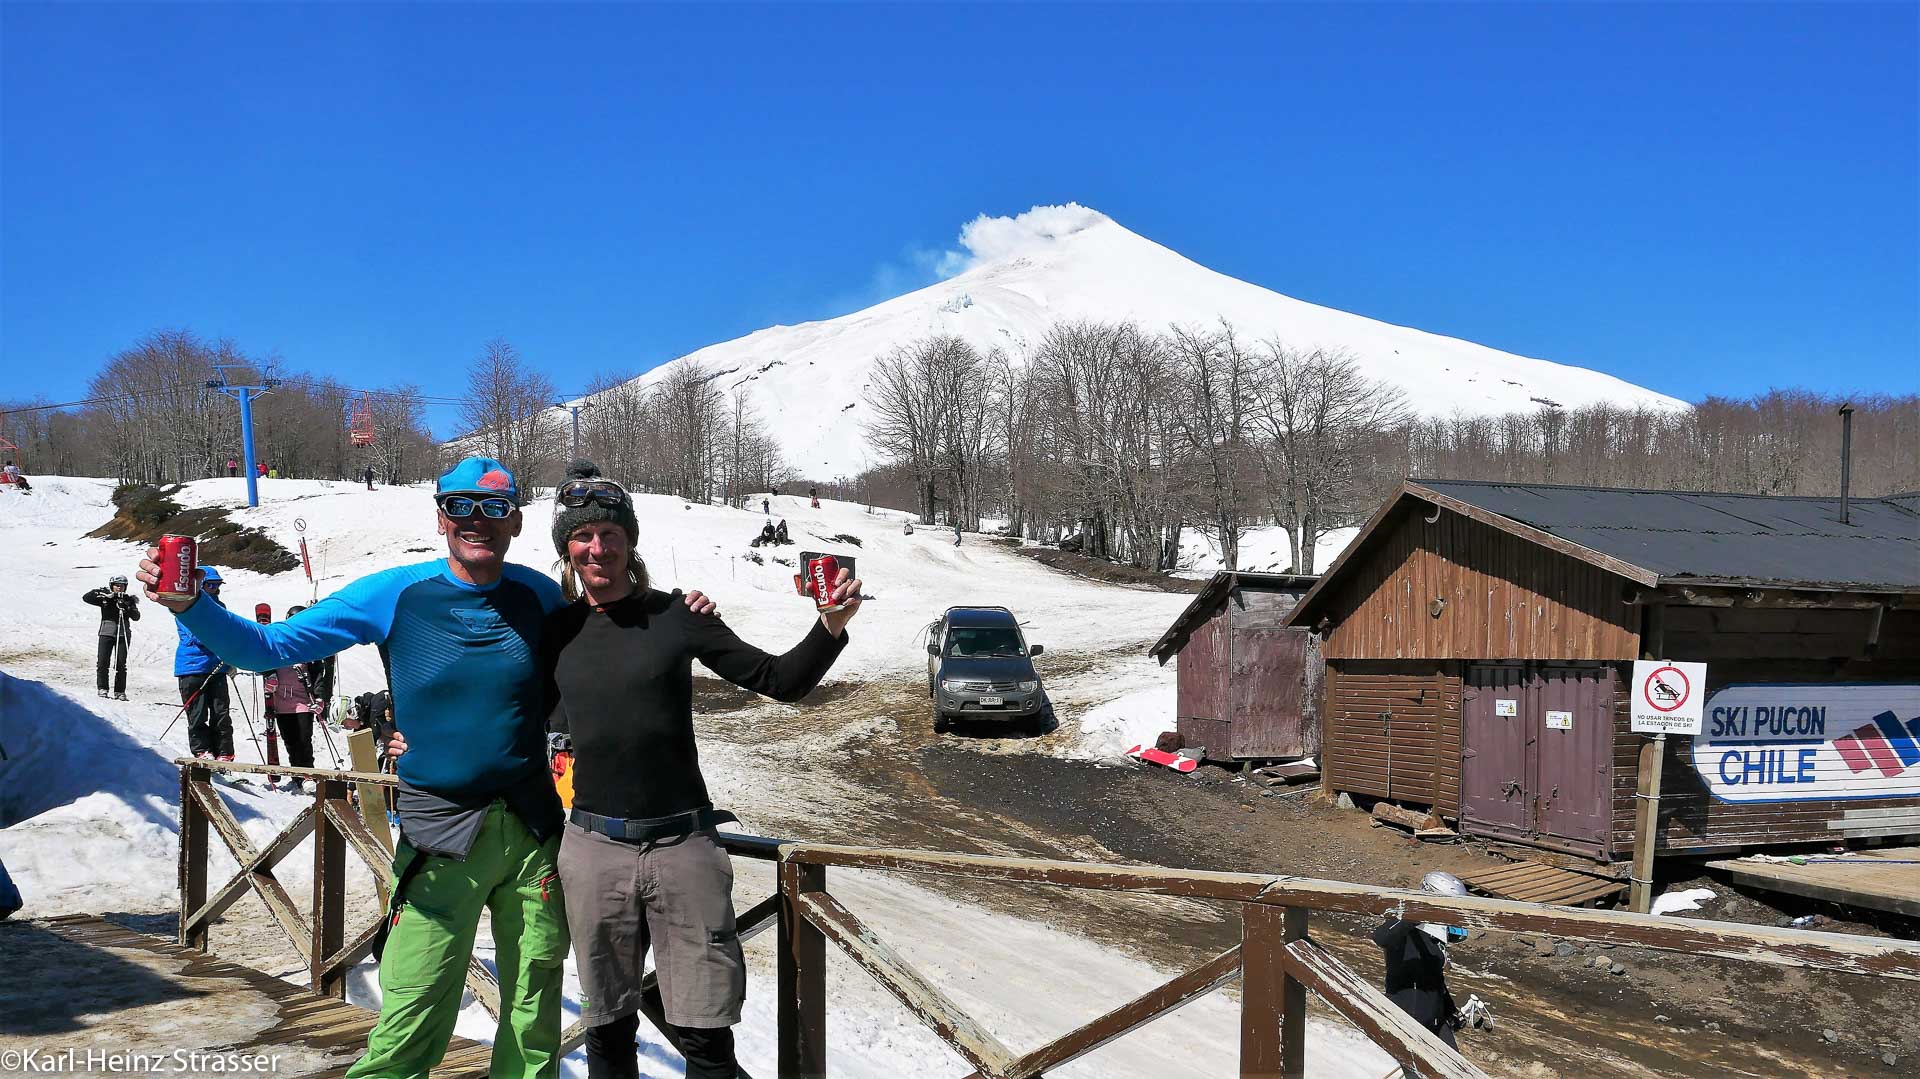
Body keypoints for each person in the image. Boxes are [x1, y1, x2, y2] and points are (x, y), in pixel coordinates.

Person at [136, 456, 716, 1079]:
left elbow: (610, 633)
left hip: (533, 832)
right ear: (441, 517)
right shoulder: (395, 594)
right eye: (461, 507)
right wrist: (189, 604)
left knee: (534, 1022)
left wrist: (677, 610)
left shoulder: (540, 595)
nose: (477, 520)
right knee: (412, 1014)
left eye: (494, 508)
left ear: (515, 522)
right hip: (439, 833)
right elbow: (267, 648)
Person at [543, 461, 859, 1079]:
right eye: (582, 536)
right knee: (607, 1032)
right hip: (591, 847)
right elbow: (505, 708)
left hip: (683, 844)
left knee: (707, 1037)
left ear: (630, 542)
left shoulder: (677, 615)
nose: (597, 547)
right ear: (567, 548)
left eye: (610, 533)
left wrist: (829, 628)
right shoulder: (555, 630)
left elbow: (779, 681)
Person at [1373, 871, 1469, 1053]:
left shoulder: (1434, 939)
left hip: (1436, 1019)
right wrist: (1417, 914)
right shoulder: (1407, 930)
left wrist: (1450, 1010)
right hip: (1408, 1019)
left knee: (1456, 1071)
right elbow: (1380, 937)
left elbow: (1434, 977)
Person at [264, 604, 335, 792]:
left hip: (304, 699)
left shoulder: (309, 644)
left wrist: (320, 697)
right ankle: (297, 774)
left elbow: (319, 673)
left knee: (304, 738)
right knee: (290, 739)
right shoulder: (278, 640)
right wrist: (268, 675)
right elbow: (263, 659)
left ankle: (307, 774)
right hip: (281, 700)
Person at [173, 566, 233, 760]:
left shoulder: (221, 607)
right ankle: (202, 750)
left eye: (217, 585)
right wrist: (220, 639)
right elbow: (196, 636)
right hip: (192, 666)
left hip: (217, 666)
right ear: (200, 585)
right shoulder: (187, 605)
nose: (214, 588)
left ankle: (224, 753)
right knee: (197, 713)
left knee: (221, 713)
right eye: (209, 585)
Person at [82, 575, 140, 699]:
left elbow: (136, 617)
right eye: (116, 585)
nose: (119, 588)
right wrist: (101, 592)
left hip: (122, 633)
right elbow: (86, 598)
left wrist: (127, 607)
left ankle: (120, 691)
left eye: (122, 585)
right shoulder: (106, 599)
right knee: (103, 662)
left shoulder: (128, 599)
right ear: (112, 586)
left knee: (120, 663)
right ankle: (102, 688)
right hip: (106, 632)